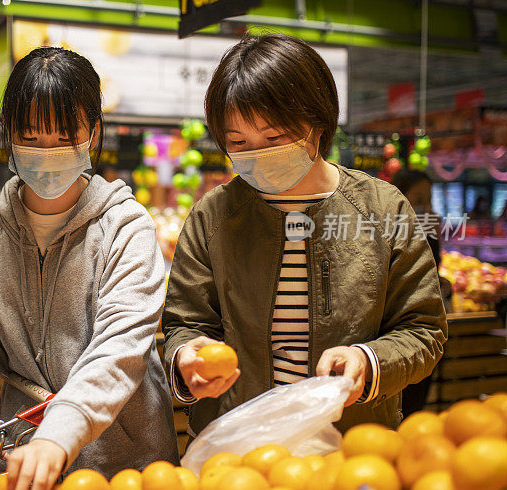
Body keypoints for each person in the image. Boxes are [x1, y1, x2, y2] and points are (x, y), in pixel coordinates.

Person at [162, 33, 447, 438]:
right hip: (237, 445)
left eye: (274, 138)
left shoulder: (382, 209)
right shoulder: (213, 216)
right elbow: (185, 324)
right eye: (238, 142)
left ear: (317, 122)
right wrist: (185, 357)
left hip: (351, 446)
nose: (257, 154)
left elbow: (424, 327)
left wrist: (369, 361)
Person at [0, 47, 178, 490]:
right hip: (22, 468)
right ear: (7, 134)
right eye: (30, 136)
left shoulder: (126, 227)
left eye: (64, 137)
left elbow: (120, 348)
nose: (47, 152)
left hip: (129, 470)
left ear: (93, 132)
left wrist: (58, 435)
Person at [390, 169, 452, 416]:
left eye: (429, 200)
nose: (427, 208)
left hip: (425, 332)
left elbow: (431, 272)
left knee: (417, 407)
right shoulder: (387, 231)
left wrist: (443, 284)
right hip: (397, 335)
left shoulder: (428, 228)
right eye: (418, 201)